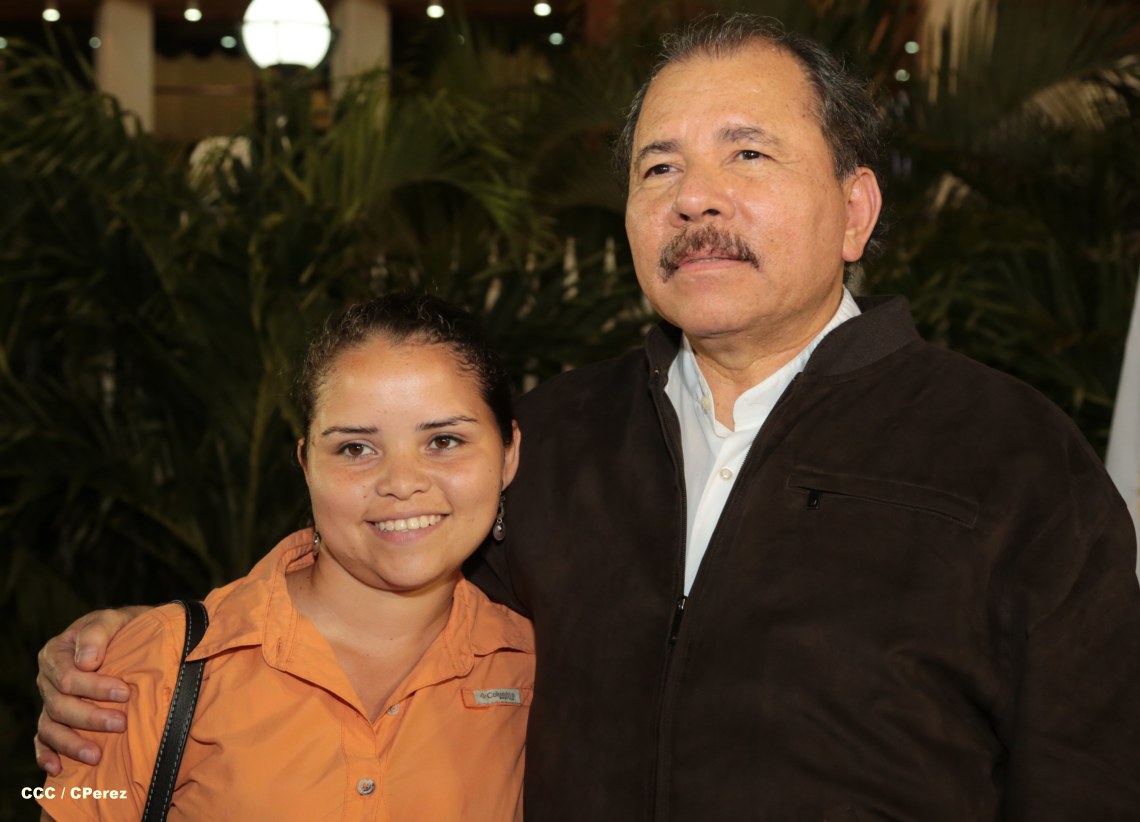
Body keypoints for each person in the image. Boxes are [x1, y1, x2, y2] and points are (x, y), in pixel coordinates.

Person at [35, 14, 1140, 821]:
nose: (694, 198)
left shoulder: (1008, 457)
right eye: (659, 167)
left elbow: (1091, 777)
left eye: (748, 154)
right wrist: (146, 649)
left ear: (856, 208)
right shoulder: (556, 438)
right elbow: (388, 573)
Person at [35, 294, 533, 821]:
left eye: (444, 441)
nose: (402, 483)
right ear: (305, 464)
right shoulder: (153, 666)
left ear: (509, 455)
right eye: (355, 449)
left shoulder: (533, 670)